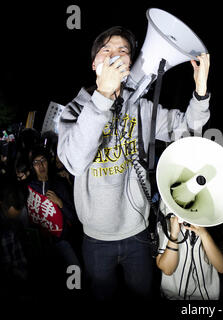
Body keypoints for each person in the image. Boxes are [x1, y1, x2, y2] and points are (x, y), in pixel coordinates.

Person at [57, 26, 210, 300]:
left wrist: (200, 93)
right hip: (96, 239)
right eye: (106, 50)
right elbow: (75, 162)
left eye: (123, 51)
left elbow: (187, 129)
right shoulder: (75, 110)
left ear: (130, 64)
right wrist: (102, 98)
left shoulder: (140, 107)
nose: (115, 55)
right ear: (95, 64)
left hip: (138, 232)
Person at [155, 203, 223, 300]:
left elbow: (222, 268)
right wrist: (174, 235)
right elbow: (167, 269)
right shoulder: (168, 222)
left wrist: (204, 235)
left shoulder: (214, 222)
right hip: (173, 296)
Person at [26, 148, 80, 269]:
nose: (40, 165)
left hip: (62, 241)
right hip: (39, 244)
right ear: (32, 167)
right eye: (36, 163)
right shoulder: (29, 188)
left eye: (43, 160)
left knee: (75, 270)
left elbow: (75, 218)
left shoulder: (60, 185)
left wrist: (60, 203)